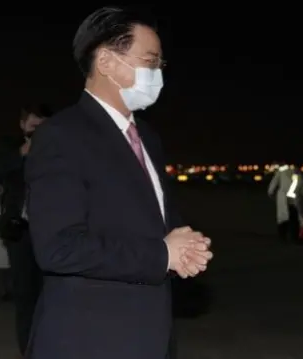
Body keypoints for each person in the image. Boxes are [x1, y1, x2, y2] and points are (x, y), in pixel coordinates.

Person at [23, 7, 213, 359]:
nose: (157, 73)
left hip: (150, 335)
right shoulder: (62, 135)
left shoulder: (147, 138)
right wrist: (161, 254)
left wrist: (184, 248)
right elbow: (58, 247)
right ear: (107, 62)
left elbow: (155, 223)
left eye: (160, 64)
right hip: (90, 339)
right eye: (150, 61)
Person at [0, 103, 47, 355]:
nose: (37, 132)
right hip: (19, 232)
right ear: (23, 125)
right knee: (25, 296)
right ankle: (29, 350)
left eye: (43, 127)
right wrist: (22, 153)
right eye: (33, 126)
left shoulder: (58, 151)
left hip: (49, 233)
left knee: (49, 296)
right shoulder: (10, 148)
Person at [267, 163, 303, 242]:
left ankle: (283, 237)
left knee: (283, 219)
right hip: (294, 199)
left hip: (284, 198)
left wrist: (271, 193)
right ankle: (293, 237)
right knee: (294, 219)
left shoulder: (282, 172)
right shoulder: (298, 173)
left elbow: (273, 184)